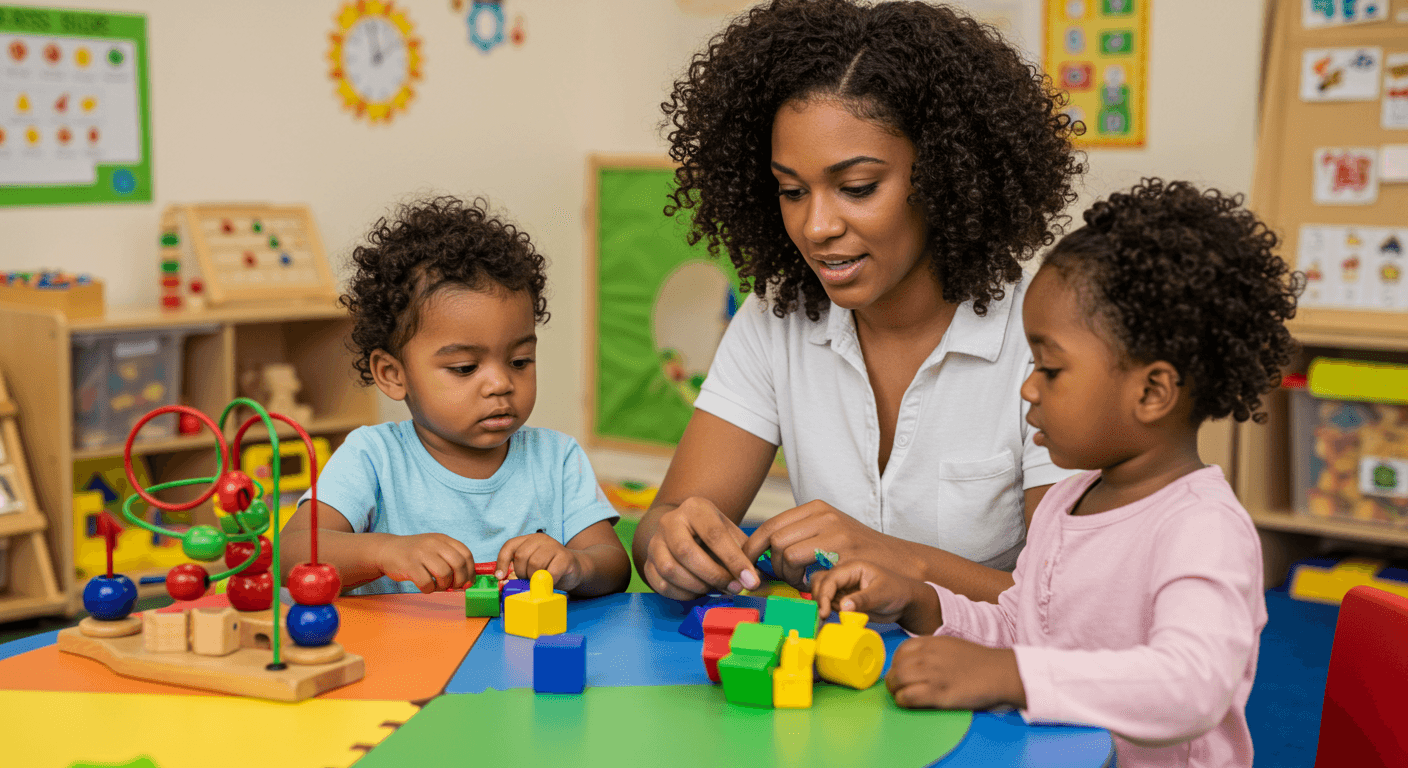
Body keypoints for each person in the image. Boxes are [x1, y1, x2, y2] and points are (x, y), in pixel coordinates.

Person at [810, 179, 1302, 767]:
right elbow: (1026, 626)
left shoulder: (1203, 527)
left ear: (1152, 392)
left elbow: (1191, 685)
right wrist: (923, 603)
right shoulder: (1070, 502)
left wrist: (1013, 675)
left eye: (1049, 368)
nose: (1027, 387)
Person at [634, 0, 1084, 602]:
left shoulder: (1046, 334)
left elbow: (1071, 596)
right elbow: (667, 517)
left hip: (991, 680)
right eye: (791, 191)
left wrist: (891, 559)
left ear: (946, 174)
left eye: (857, 188)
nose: (816, 227)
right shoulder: (777, 315)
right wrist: (673, 542)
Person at [279, 197, 630, 597]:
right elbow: (291, 554)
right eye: (465, 368)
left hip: (518, 655)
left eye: (520, 360)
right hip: (399, 656)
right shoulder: (372, 457)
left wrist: (576, 566)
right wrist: (384, 551)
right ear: (393, 375)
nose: (500, 384)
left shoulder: (557, 459)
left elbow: (613, 564)